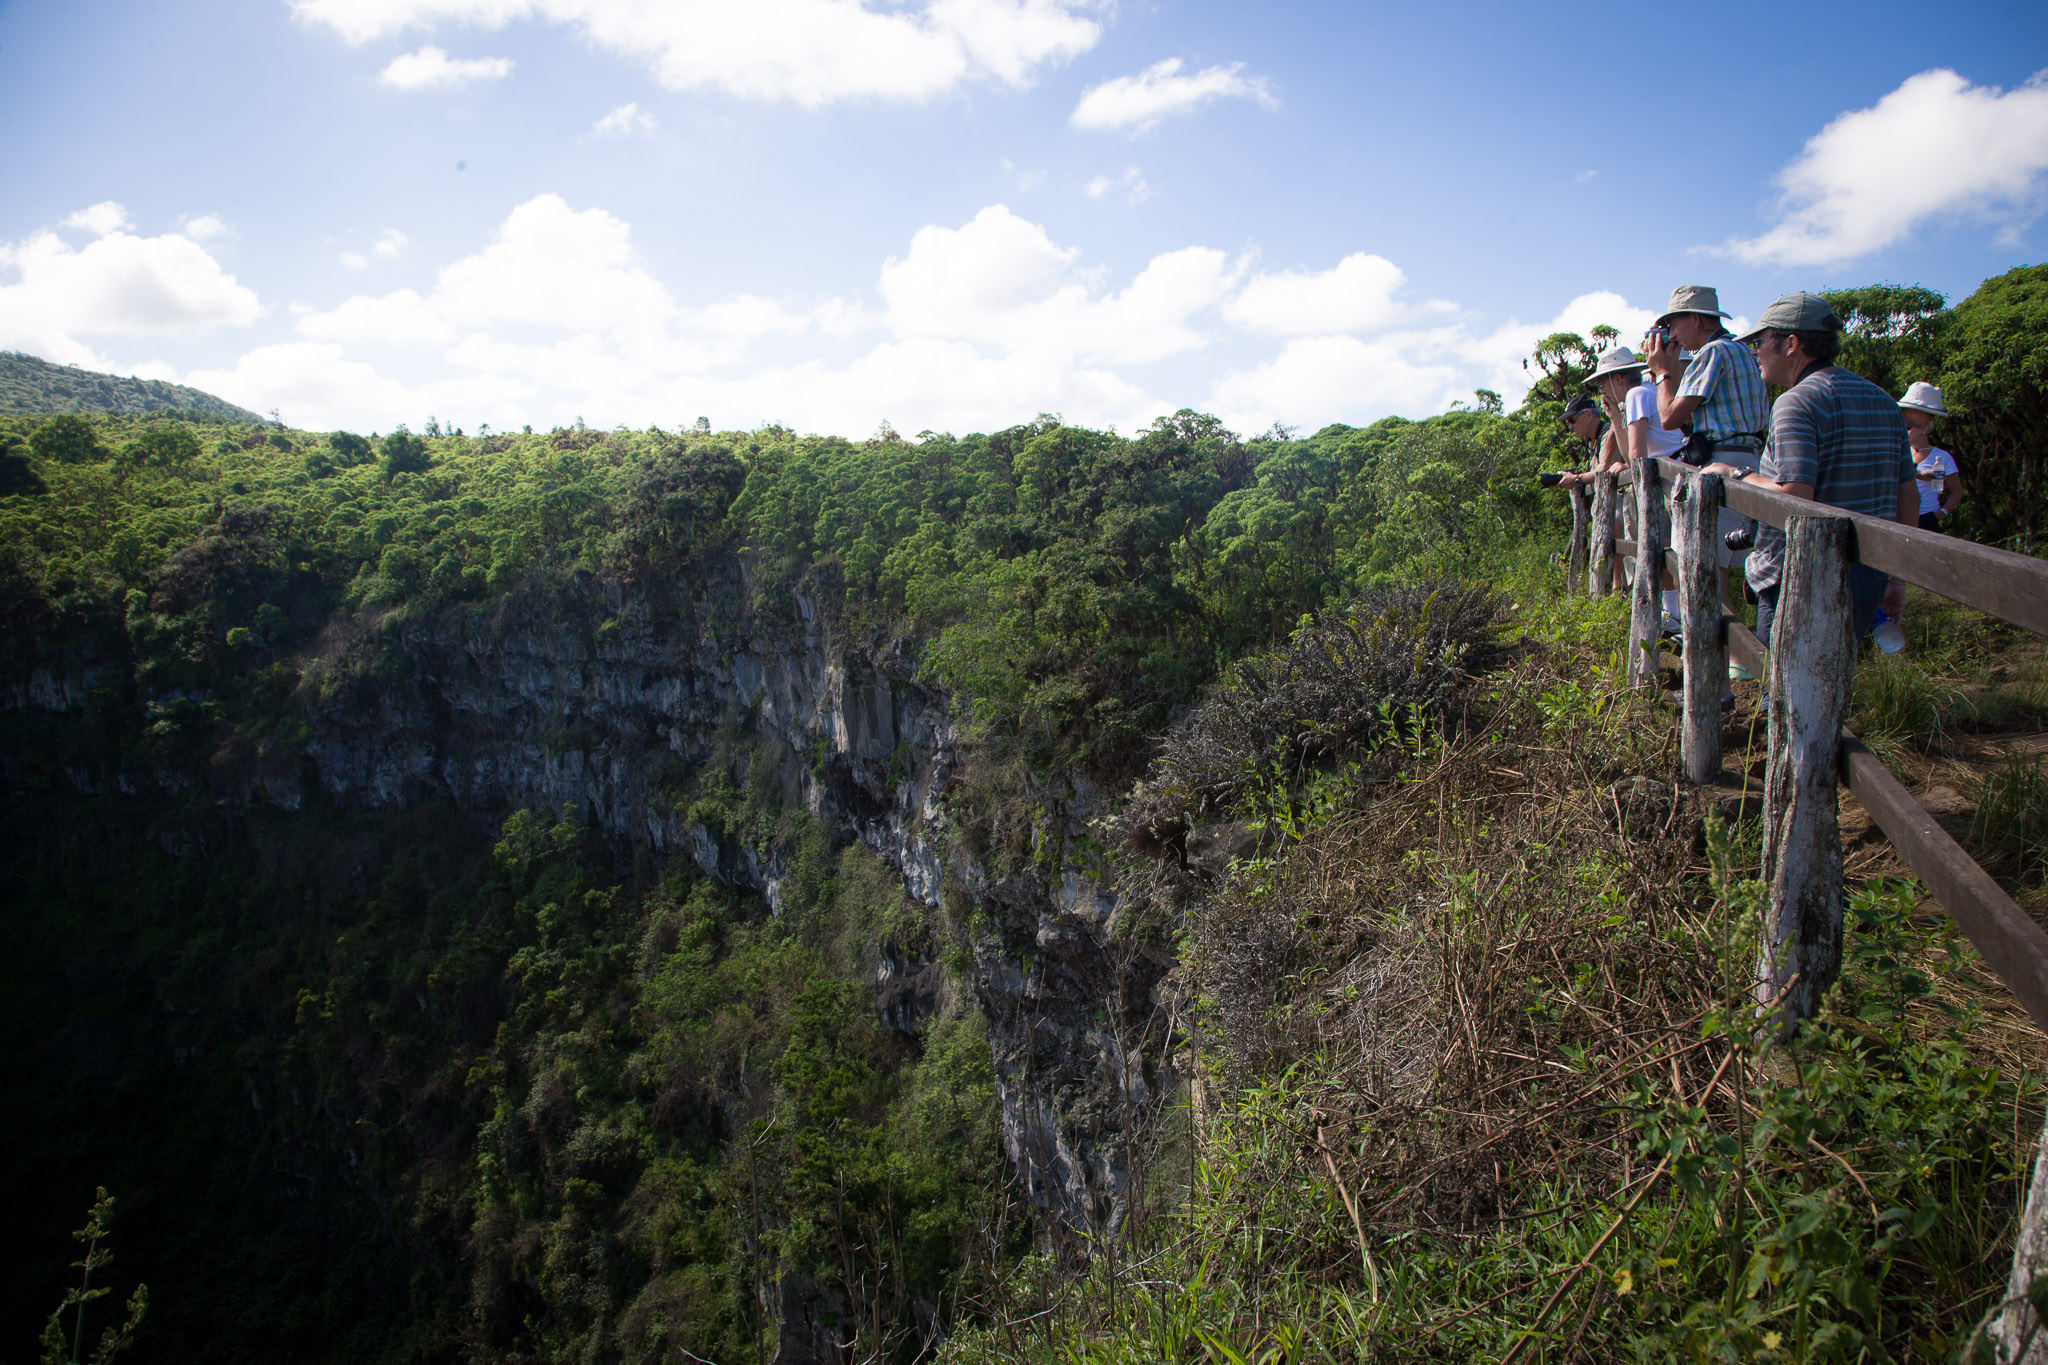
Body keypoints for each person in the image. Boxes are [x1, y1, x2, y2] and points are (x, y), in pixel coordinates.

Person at [1699, 292, 1917, 649]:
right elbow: (1906, 493)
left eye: (1759, 341)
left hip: (1800, 577)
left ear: (1791, 343)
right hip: (1866, 576)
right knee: (1832, 685)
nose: (1755, 351)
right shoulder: (1883, 400)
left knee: (1785, 692)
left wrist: (1735, 474)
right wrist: (1897, 577)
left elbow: (1796, 497)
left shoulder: (1796, 402)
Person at [1641, 285, 1769, 637]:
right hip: (1750, 463)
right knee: (1723, 574)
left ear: (1696, 319)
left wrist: (1663, 372)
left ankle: (1722, 682)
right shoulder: (1742, 351)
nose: (1672, 335)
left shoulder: (1712, 354)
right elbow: (1690, 417)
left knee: (1706, 578)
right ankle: (1738, 664)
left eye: (1674, 324)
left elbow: (1667, 417)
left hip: (1720, 467)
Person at [1874, 381, 1962, 642]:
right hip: (1895, 516)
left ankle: (1930, 618)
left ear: (1927, 425)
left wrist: (1942, 514)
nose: (1907, 427)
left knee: (1926, 572)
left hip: (1928, 518)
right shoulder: (1894, 449)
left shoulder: (1942, 457)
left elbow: (1955, 490)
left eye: (1912, 423)